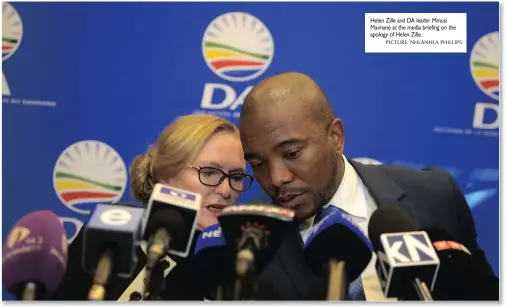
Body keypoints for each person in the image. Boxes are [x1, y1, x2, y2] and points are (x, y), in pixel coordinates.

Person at [237, 71, 499, 301]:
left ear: (336, 138)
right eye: (258, 164)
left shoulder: (435, 195)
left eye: (292, 153)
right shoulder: (251, 248)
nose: (276, 178)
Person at [51, 114, 254, 301]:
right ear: (165, 175)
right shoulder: (113, 232)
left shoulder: (237, 267)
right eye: (209, 172)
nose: (227, 190)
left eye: (236, 177)